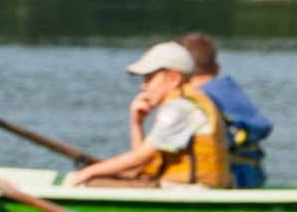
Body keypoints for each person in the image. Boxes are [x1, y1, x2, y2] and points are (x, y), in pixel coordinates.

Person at [68, 41, 230, 187]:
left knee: (93, 181)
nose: (143, 85)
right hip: (184, 187)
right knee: (110, 177)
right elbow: (143, 164)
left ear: (174, 78)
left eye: (149, 78)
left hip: (191, 190)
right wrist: (137, 123)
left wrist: (88, 171)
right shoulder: (183, 102)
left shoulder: (179, 109)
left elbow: (139, 158)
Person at [178, 32, 271, 188]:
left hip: (227, 176)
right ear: (217, 68)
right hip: (254, 174)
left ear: (181, 72)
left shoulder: (198, 99)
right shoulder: (231, 90)